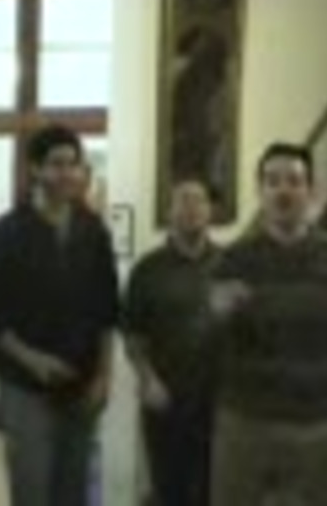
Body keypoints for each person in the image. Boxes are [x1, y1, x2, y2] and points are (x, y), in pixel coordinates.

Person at [209, 144, 327, 506]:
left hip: (317, 424)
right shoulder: (234, 258)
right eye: (273, 181)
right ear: (260, 191)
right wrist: (215, 314)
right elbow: (205, 339)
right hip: (245, 420)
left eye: (294, 181)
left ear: (311, 191)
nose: (283, 190)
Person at [0, 125, 119, 506]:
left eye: (73, 164)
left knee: (73, 491)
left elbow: (107, 310)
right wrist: (32, 360)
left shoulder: (93, 231)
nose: (67, 173)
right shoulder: (5, 234)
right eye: (56, 164)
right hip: (25, 386)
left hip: (81, 383)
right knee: (32, 489)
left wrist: (104, 376)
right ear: (35, 169)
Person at [123, 178, 220, 506]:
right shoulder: (147, 270)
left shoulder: (230, 264)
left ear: (210, 211)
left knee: (214, 492)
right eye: (183, 200)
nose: (192, 208)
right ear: (169, 212)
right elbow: (132, 334)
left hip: (219, 403)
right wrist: (147, 379)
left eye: (199, 200)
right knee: (169, 490)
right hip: (166, 401)